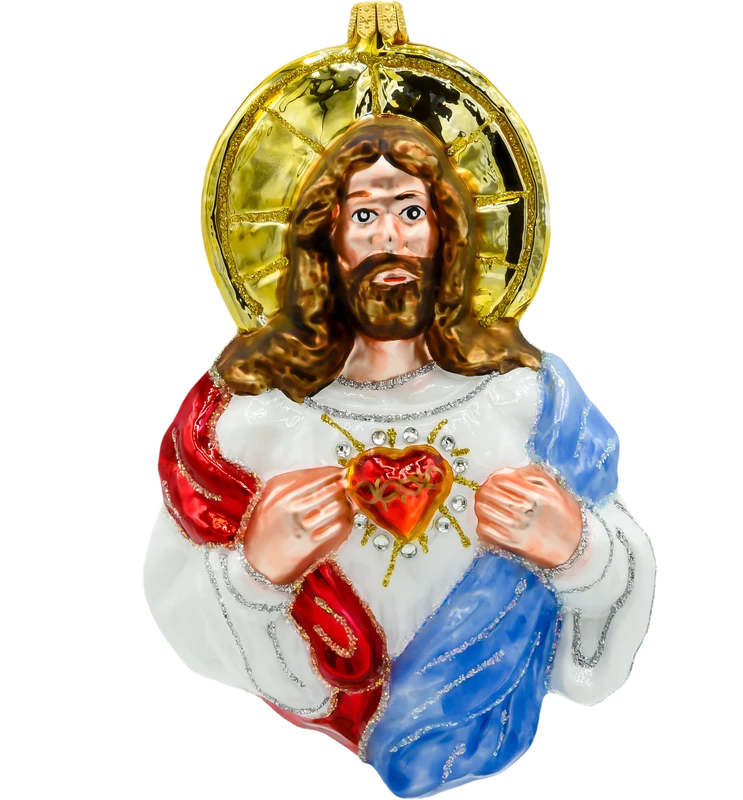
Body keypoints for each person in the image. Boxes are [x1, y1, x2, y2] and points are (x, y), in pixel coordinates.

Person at [144, 116, 656, 800]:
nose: (392, 238)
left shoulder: (526, 400)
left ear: (447, 234)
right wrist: (254, 574)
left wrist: (578, 552)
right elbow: (168, 602)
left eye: (411, 212)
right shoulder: (255, 420)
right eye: (365, 215)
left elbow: (626, 569)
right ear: (326, 242)